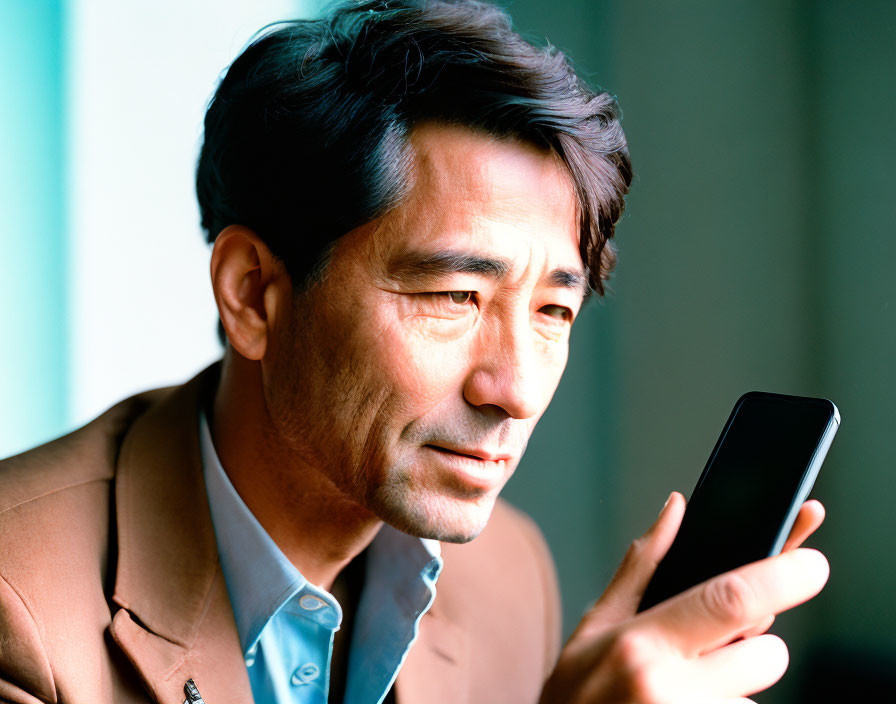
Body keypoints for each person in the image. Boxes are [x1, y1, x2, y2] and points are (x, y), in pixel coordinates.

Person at [0, 1, 828, 703]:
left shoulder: (511, 573)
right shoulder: (19, 607)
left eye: (553, 310)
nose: (517, 390)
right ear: (253, 293)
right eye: (455, 297)